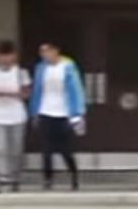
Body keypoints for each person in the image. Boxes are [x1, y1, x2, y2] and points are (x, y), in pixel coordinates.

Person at [29, 42, 85, 191]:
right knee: (46, 150)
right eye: (42, 52)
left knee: (65, 150)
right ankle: (48, 179)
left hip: (63, 113)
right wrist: (34, 112)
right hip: (45, 111)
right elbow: (37, 91)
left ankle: (74, 175)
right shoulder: (41, 68)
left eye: (47, 51)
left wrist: (78, 113)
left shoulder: (68, 66)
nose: (44, 55)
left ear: (55, 51)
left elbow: (75, 89)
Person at [0, 40, 31, 193]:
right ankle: (3, 177)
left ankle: (15, 176)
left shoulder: (21, 73)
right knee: (0, 148)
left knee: (15, 149)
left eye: (8, 55)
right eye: (2, 56)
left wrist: (13, 93)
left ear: (14, 56)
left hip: (17, 115)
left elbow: (26, 92)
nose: (5, 59)